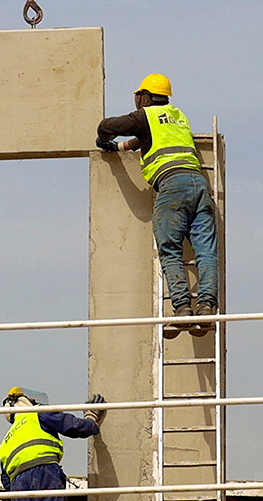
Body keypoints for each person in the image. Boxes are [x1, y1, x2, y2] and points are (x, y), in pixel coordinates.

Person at [96, 73, 219, 339]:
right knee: (206, 252)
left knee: (170, 250)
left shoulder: (144, 116)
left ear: (145, 97)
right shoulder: (178, 116)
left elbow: (107, 125)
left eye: (138, 96)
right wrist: (120, 148)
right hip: (199, 186)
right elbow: (146, 141)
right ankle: (207, 308)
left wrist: (104, 140)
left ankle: (183, 310)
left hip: (172, 186)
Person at [0, 387, 104, 501]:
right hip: (44, 474)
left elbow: (6, 481)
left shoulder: (6, 440)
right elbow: (71, 426)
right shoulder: (36, 413)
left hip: (18, 485)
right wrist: (90, 418)